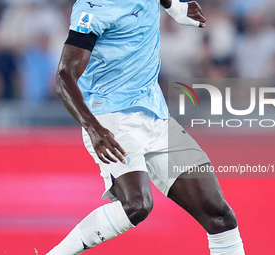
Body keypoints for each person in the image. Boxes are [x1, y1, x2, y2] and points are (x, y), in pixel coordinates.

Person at [47, 0, 245, 254]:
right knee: (137, 205)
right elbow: (65, 75)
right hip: (111, 117)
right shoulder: (92, 8)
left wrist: (176, 9)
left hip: (156, 116)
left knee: (220, 216)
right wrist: (93, 128)